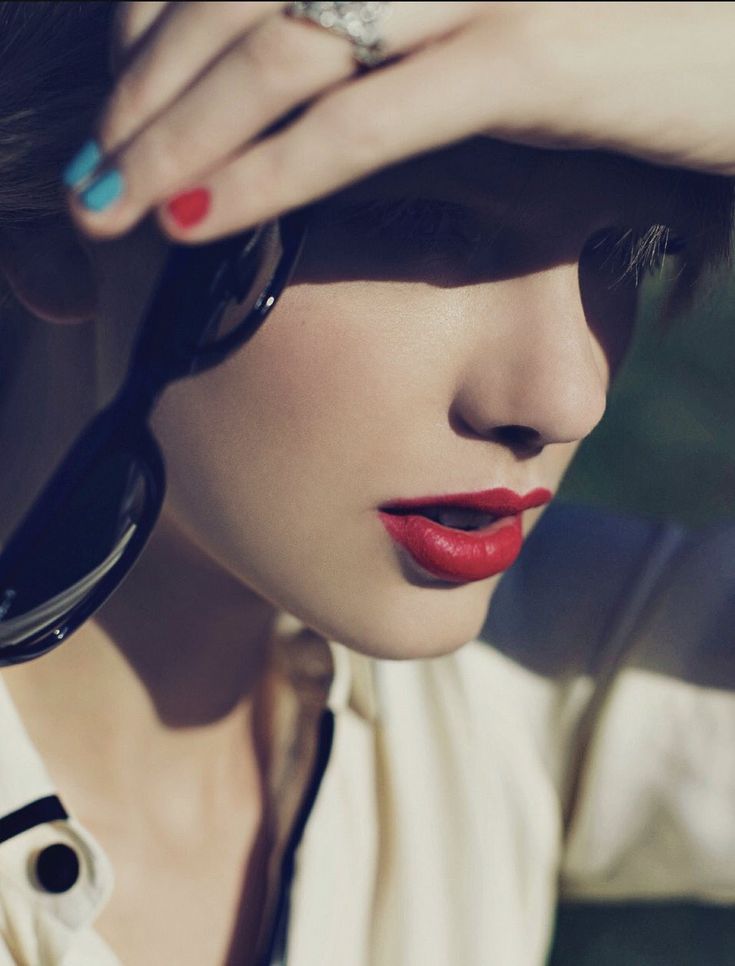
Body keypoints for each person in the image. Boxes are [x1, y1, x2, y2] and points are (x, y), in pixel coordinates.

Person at [0, 2, 732, 965]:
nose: (564, 398)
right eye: (415, 218)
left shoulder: (515, 678)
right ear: (62, 225)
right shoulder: (496, 690)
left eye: (630, 249)